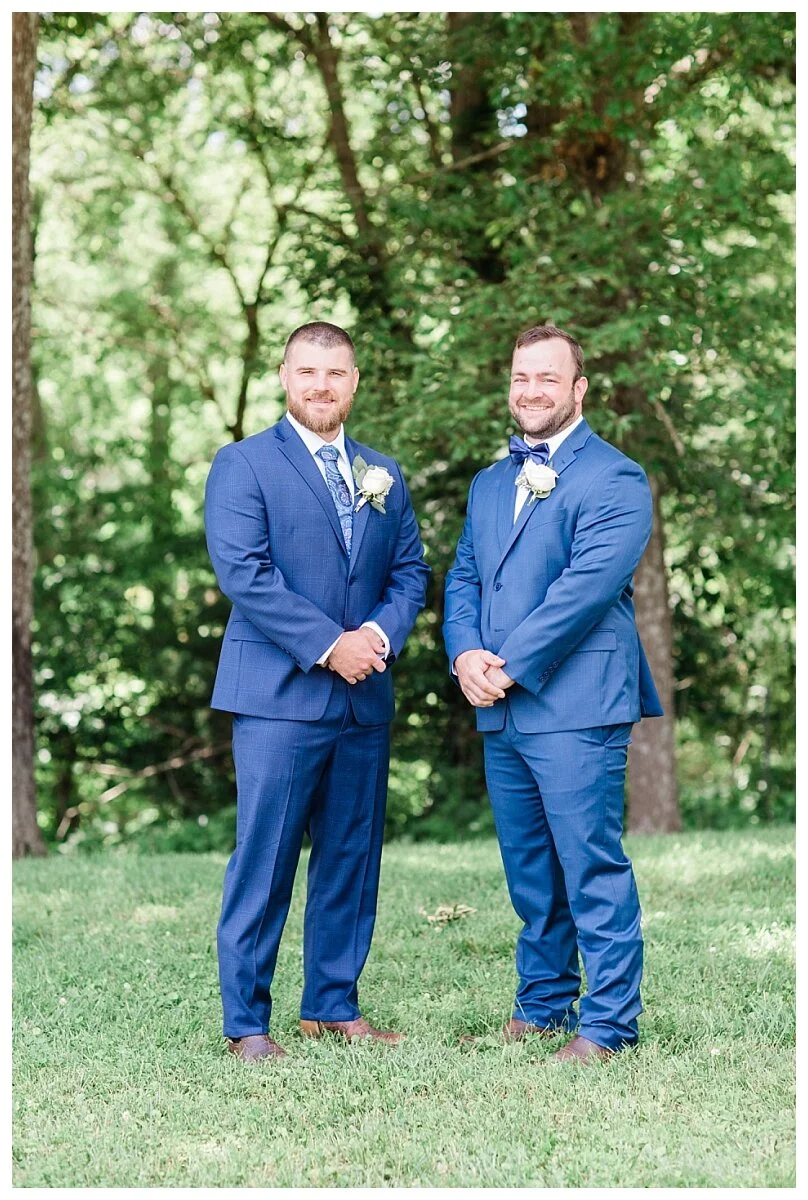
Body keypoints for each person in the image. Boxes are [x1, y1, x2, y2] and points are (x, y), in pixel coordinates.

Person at [205, 321, 429, 1062]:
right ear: (284, 376)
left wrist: (378, 638)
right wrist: (333, 645)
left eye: (335, 373)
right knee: (265, 860)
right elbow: (245, 573)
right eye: (307, 371)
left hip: (363, 699)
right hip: (279, 698)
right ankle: (247, 1024)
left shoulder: (382, 472)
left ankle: (332, 1007)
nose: (321, 385)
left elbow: (410, 572)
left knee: (351, 858)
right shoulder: (243, 464)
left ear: (355, 381)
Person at [443, 324, 663, 1063]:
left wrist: (504, 665)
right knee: (531, 873)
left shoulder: (616, 478)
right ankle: (541, 1007)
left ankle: (609, 1025)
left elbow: (583, 591)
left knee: (589, 866)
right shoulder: (488, 483)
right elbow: (465, 576)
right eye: (520, 377)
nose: (531, 390)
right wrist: (464, 654)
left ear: (578, 388)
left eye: (547, 377)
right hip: (501, 708)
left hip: (577, 702)